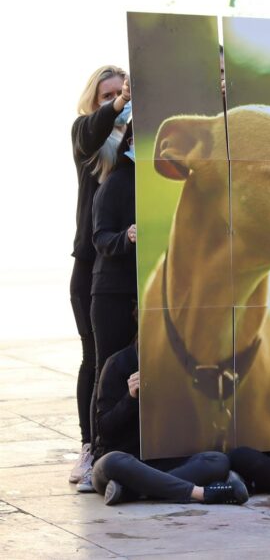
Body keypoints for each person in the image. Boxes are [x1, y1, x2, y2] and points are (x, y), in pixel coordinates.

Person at [90, 340, 249, 506]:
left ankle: (131, 492)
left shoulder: (178, 365)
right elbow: (105, 432)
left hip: (160, 463)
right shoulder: (118, 363)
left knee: (217, 460)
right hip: (125, 462)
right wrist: (130, 399)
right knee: (113, 461)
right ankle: (203, 493)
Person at [68, 66, 130, 483]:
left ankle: (125, 446)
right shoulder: (87, 137)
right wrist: (119, 104)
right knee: (95, 359)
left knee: (127, 359)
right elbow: (91, 133)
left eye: (120, 93)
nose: (115, 101)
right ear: (94, 101)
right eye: (106, 96)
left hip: (126, 261)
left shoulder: (136, 139)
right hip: (91, 265)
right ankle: (90, 446)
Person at [80, 126, 138, 492]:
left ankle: (131, 450)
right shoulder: (116, 182)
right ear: (130, 142)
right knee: (106, 370)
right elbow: (99, 237)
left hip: (142, 290)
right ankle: (97, 455)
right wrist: (126, 237)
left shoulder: (158, 180)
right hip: (112, 292)